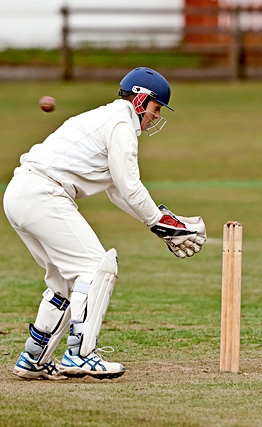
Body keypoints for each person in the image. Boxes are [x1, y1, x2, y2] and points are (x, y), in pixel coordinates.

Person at [4, 67, 207, 380]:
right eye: (155, 109)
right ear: (141, 99)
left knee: (63, 282)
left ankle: (34, 358)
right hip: (43, 193)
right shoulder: (121, 124)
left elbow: (117, 191)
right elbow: (129, 185)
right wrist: (160, 223)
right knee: (98, 266)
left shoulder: (108, 118)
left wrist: (166, 222)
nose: (155, 117)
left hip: (22, 194)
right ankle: (80, 354)